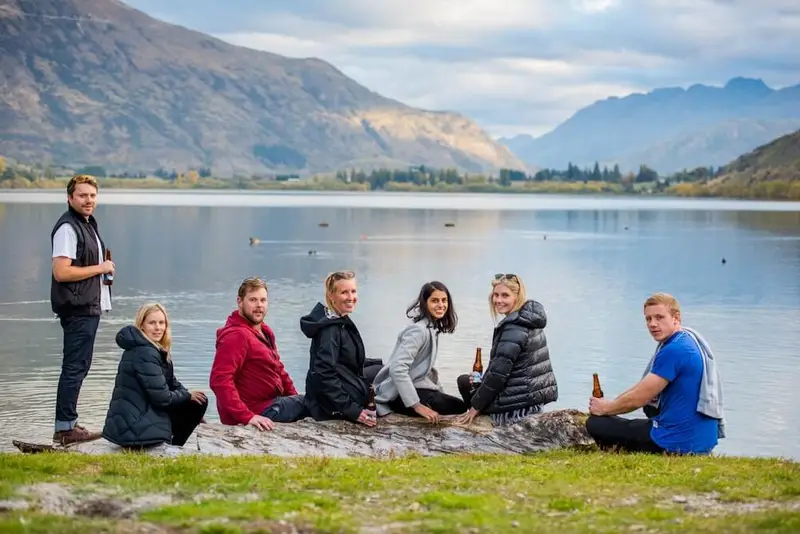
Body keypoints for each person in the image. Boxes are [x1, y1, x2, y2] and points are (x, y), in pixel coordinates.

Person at [585, 292, 724, 455]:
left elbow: (639, 398)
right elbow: (640, 388)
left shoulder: (674, 350)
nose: (652, 324)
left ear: (676, 318)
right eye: (648, 319)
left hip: (676, 442)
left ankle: (620, 449)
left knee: (596, 424)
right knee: (613, 419)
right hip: (700, 440)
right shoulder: (687, 341)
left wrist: (605, 409)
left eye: (659, 317)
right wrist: (608, 406)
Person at [50, 174, 116, 445]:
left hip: (88, 306)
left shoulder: (86, 224)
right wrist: (101, 268)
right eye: (82, 195)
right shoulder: (68, 228)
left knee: (80, 365)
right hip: (77, 308)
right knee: (74, 367)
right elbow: (61, 272)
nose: (88, 200)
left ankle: (70, 423)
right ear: (70, 198)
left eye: (92, 195)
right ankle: (65, 430)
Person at [455, 273, 558, 426]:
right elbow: (505, 368)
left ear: (517, 297)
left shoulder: (514, 329)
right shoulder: (528, 319)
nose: (498, 300)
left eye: (505, 296)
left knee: (465, 384)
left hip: (516, 406)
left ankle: (477, 423)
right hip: (529, 398)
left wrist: (475, 408)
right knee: (469, 381)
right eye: (495, 295)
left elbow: (497, 376)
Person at [102, 303, 208, 448]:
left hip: (128, 423)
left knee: (197, 401)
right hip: (135, 427)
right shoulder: (146, 352)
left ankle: (172, 443)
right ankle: (173, 446)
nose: (158, 328)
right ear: (142, 326)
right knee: (193, 402)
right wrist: (187, 397)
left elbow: (171, 382)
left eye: (161, 322)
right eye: (152, 323)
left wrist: (189, 399)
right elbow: (162, 399)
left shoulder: (149, 349)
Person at [210, 277, 307, 431]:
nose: (259, 305)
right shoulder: (236, 336)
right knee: (318, 402)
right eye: (253, 300)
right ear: (240, 301)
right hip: (256, 411)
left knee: (312, 402)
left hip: (272, 404)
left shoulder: (264, 331)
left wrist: (294, 399)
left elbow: (279, 370)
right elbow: (220, 381)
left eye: (263, 300)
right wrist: (247, 416)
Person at [373, 281, 466, 422]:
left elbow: (426, 369)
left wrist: (440, 391)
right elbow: (398, 369)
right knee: (457, 407)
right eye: (435, 301)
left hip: (417, 386)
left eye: (444, 300)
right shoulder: (418, 331)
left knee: (456, 405)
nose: (441, 305)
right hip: (398, 395)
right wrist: (417, 405)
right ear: (425, 303)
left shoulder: (431, 327)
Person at [301, 271, 376, 427]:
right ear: (331, 296)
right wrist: (352, 411)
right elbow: (323, 374)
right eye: (344, 292)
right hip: (328, 408)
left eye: (353, 291)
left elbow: (343, 362)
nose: (350, 297)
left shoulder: (339, 320)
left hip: (343, 393)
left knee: (383, 369)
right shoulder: (330, 330)